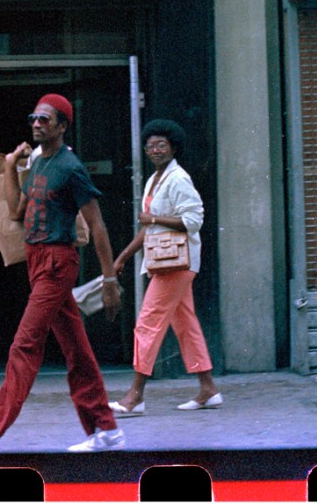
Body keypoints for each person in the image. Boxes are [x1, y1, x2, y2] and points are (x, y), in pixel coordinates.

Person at [0, 94, 125, 455]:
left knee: (25, 345)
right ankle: (106, 429)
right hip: (37, 261)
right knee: (76, 350)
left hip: (57, 263)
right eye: (35, 117)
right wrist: (10, 164)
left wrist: (110, 281)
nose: (37, 124)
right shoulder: (37, 161)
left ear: (62, 126)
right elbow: (17, 209)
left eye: (46, 120)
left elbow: (97, 225)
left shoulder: (71, 167)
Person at [107, 119, 221, 417]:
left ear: (173, 147)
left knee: (147, 323)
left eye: (161, 145)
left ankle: (135, 397)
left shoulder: (178, 178)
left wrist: (155, 220)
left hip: (177, 264)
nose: (155, 150)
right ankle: (208, 389)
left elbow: (194, 221)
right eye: (150, 146)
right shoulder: (156, 179)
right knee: (185, 323)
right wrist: (123, 257)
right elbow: (148, 227)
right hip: (165, 261)